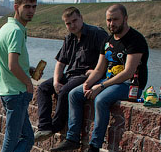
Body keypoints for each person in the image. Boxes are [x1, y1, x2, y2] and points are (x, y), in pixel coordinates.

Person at [51, 4, 149, 152]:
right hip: (109, 81)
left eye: (115, 19)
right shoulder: (108, 40)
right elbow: (99, 69)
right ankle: (72, 138)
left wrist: (101, 87)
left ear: (125, 18)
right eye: (109, 20)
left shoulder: (135, 40)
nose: (111, 24)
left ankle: (94, 147)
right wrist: (88, 83)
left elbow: (128, 72)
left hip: (130, 85)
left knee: (101, 100)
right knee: (75, 94)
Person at [34, 7, 107, 142]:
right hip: (70, 74)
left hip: (86, 75)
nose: (72, 25)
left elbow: (109, 56)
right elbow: (60, 63)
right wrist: (56, 81)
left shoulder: (97, 34)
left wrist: (98, 71)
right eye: (68, 23)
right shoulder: (69, 38)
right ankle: (44, 127)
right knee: (43, 87)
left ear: (81, 18)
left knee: (65, 92)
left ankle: (55, 127)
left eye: (74, 21)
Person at [0, 0, 38, 152]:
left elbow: (10, 62)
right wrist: (28, 82)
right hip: (16, 93)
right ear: (16, 7)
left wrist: (27, 69)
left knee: (16, 138)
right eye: (26, 7)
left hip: (8, 90)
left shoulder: (5, 28)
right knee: (23, 138)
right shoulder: (16, 31)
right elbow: (12, 64)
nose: (30, 11)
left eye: (33, 7)